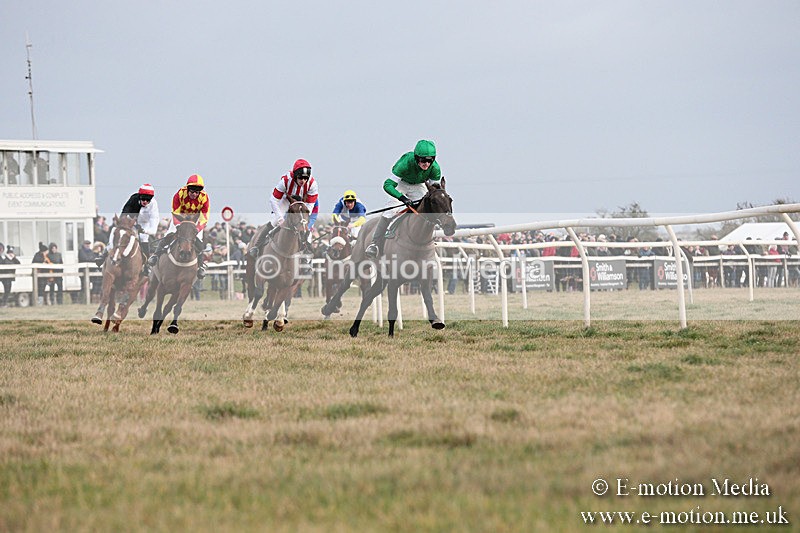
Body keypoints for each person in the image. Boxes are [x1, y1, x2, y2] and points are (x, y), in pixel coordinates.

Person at [365, 139, 442, 258]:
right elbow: (387, 185)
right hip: (402, 184)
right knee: (390, 210)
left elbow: (435, 192)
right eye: (423, 160)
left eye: (430, 160)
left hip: (418, 186)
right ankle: (375, 244)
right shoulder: (405, 163)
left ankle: (427, 241)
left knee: (427, 208)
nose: (426, 164)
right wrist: (402, 198)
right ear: (416, 158)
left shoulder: (435, 169)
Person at [249, 159, 318, 257]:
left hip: (302, 201)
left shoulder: (313, 184)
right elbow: (273, 200)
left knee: (305, 226)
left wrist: (304, 218)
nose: (303, 181)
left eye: (305, 178)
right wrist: (281, 218)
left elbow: (310, 204)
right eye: (300, 178)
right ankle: (257, 246)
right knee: (275, 221)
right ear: (295, 175)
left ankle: (307, 253)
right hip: (287, 200)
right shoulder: (285, 181)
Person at [148, 174, 210, 279]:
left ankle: (200, 266)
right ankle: (155, 255)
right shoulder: (179, 194)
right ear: (187, 188)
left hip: (195, 222)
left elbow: (204, 218)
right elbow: (175, 213)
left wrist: (197, 229)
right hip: (180, 219)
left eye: (197, 192)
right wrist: (179, 226)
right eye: (192, 191)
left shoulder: (204, 198)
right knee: (168, 236)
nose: (194, 194)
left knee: (199, 242)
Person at [96, 184, 160, 272]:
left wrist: (144, 230)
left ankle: (147, 265)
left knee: (143, 239)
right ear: (139, 196)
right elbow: (124, 212)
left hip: (144, 225)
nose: (145, 201)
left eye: (148, 199)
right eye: (143, 198)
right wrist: (122, 224)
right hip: (130, 222)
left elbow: (153, 229)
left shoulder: (153, 206)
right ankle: (103, 255)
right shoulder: (133, 199)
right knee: (119, 234)